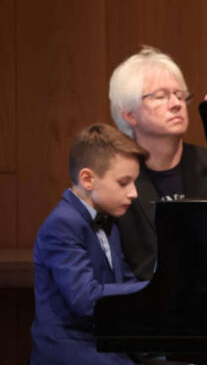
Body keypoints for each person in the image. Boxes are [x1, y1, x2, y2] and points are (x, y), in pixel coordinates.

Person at [31, 124, 149, 365]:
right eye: (124, 182)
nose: (134, 193)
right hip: (69, 348)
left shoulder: (107, 218)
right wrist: (154, 287)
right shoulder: (63, 224)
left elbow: (124, 282)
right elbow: (86, 299)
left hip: (103, 341)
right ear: (87, 179)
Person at [109, 46, 207, 280]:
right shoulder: (114, 179)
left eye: (180, 95)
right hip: (142, 306)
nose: (176, 104)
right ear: (129, 114)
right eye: (161, 96)